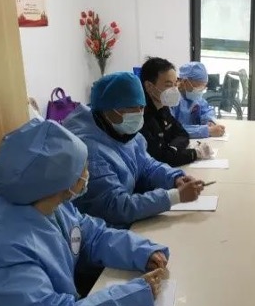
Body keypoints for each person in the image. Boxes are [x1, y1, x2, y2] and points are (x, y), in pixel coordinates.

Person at [0, 119, 169, 306]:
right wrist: (135, 294)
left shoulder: (48, 201)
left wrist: (141, 251)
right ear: (59, 181)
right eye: (82, 167)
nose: (88, 172)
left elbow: (91, 234)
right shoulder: (5, 245)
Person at [64, 72, 206, 229]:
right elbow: (116, 206)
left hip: (130, 222)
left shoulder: (124, 132)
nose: (138, 113)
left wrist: (174, 178)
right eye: (130, 108)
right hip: (103, 230)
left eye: (141, 107)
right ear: (106, 109)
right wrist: (174, 196)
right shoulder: (88, 150)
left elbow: (147, 165)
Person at [139, 57, 212, 167]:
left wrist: (172, 149)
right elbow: (161, 158)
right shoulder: (142, 116)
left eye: (175, 84)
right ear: (149, 86)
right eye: (169, 85)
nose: (174, 90)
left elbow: (183, 134)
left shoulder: (163, 108)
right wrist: (195, 153)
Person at [173, 61, 226, 139]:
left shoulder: (195, 98)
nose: (200, 91)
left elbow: (207, 110)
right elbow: (172, 129)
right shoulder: (172, 99)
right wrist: (207, 131)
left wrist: (209, 121)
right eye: (198, 87)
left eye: (203, 87)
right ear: (185, 82)